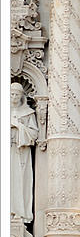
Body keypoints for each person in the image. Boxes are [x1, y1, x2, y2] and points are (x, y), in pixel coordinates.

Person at [10, 83, 39, 223]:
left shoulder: (28, 113)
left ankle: (18, 212)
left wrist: (18, 126)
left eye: (17, 94)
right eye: (12, 94)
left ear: (22, 96)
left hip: (20, 152)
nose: (14, 97)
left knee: (19, 181)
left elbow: (34, 134)